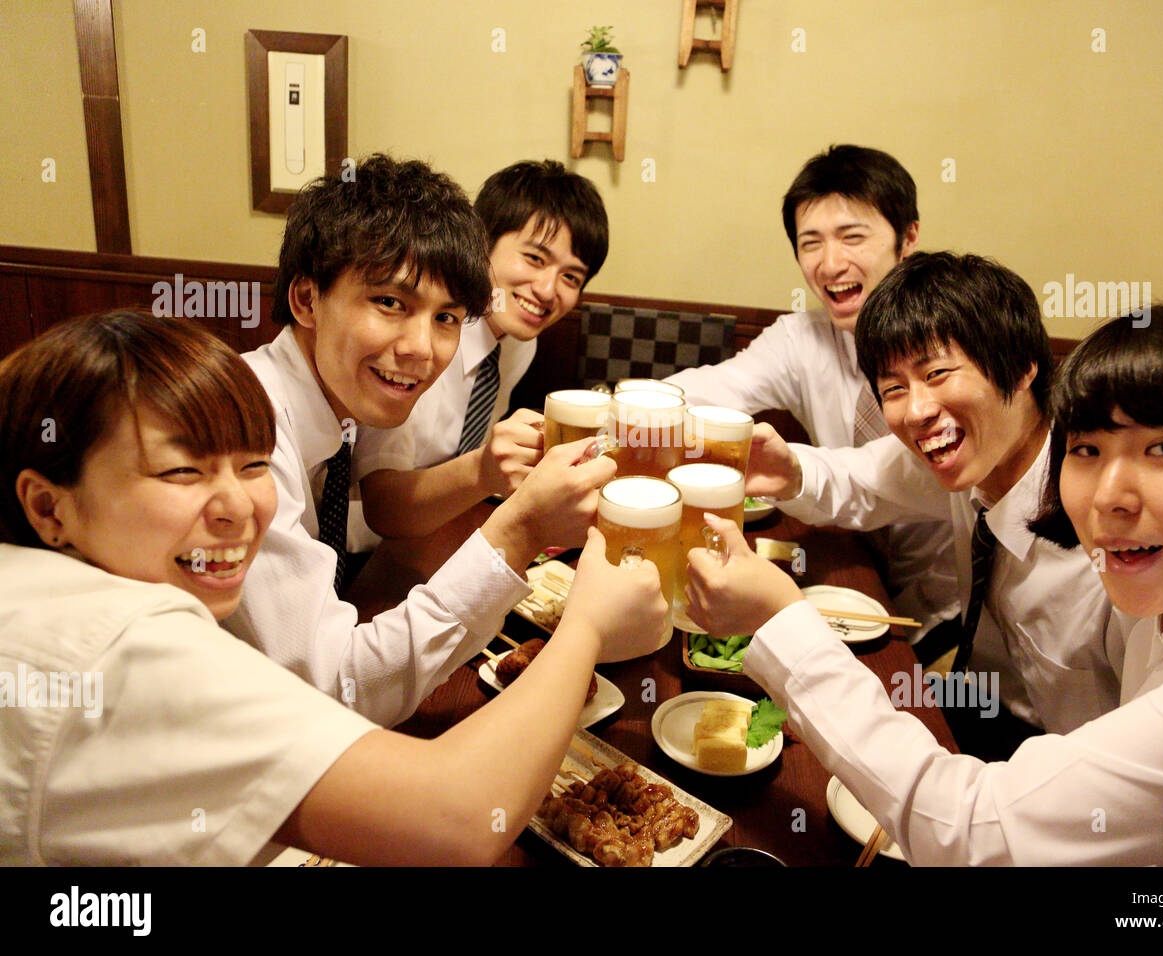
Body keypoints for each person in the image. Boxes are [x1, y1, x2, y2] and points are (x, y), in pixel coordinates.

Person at [0, 311, 666, 865]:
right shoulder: (123, 646)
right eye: (180, 472)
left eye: (253, 465)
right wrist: (586, 625)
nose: (239, 506)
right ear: (48, 506)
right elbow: (455, 820)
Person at [686, 299, 1163, 865]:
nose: (1108, 497)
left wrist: (779, 619)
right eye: (1087, 449)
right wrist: (790, 470)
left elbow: (975, 830)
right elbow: (864, 476)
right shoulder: (979, 469)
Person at [227, 154, 617, 726]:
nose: (421, 349)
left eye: (447, 319)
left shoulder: (328, 410)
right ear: (307, 299)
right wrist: (520, 529)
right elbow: (335, 689)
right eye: (391, 303)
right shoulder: (245, 433)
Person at [740, 252, 1126, 756]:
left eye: (938, 373)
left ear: (1022, 367)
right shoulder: (969, 458)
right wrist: (790, 471)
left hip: (1073, 764)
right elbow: (863, 479)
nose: (917, 410)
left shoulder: (1114, 534)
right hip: (973, 701)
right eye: (894, 388)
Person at [664, 145, 958, 639]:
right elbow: (710, 390)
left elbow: (888, 473)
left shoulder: (953, 344)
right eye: (811, 243)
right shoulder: (802, 338)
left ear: (907, 238)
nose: (830, 263)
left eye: (852, 237)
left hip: (946, 613)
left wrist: (793, 472)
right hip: (847, 578)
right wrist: (623, 414)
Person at [354, 159, 609, 541]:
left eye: (570, 277)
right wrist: (483, 470)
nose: (547, 290)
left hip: (439, 537)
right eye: (534, 258)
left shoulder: (519, 343)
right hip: (354, 546)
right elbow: (382, 505)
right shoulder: (421, 339)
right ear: (481, 243)